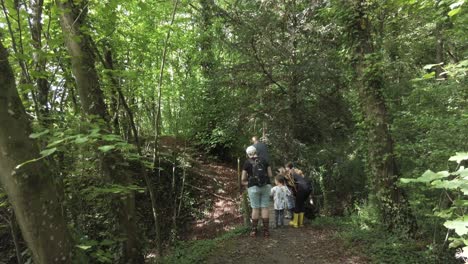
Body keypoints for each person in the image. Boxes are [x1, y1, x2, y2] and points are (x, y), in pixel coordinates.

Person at [241, 146, 273, 237]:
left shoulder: (247, 162)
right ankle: (266, 231)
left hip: (253, 187)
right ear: (256, 152)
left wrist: (249, 183)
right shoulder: (264, 160)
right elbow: (270, 175)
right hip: (266, 185)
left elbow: (243, 178)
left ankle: (254, 231)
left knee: (255, 208)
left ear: (247, 154)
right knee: (265, 207)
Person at [285, 162, 311, 228]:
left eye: (287, 169)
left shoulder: (291, 173)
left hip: (301, 189)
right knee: (302, 204)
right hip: (308, 189)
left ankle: (295, 223)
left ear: (288, 168)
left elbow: (291, 184)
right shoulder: (299, 172)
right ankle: (301, 223)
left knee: (297, 205)